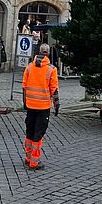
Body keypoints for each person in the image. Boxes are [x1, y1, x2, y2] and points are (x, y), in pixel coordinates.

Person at [22, 42, 59, 170]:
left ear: (38, 52)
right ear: (48, 53)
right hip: (43, 107)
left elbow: (24, 87)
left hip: (30, 105)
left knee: (29, 132)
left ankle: (28, 158)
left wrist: (25, 104)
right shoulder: (51, 69)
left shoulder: (29, 67)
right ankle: (34, 162)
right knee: (39, 133)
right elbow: (54, 90)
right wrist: (56, 105)